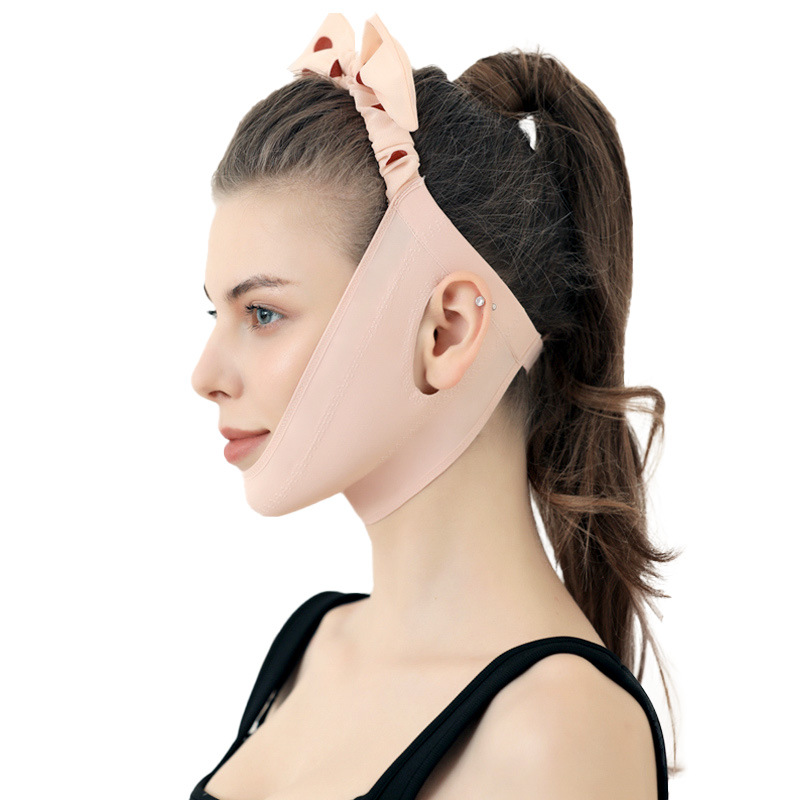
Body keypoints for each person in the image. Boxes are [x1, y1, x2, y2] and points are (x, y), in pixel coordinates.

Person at [190, 12, 677, 800]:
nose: (205, 374)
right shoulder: (308, 647)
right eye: (216, 313)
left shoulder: (557, 734)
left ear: (446, 330)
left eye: (264, 313)